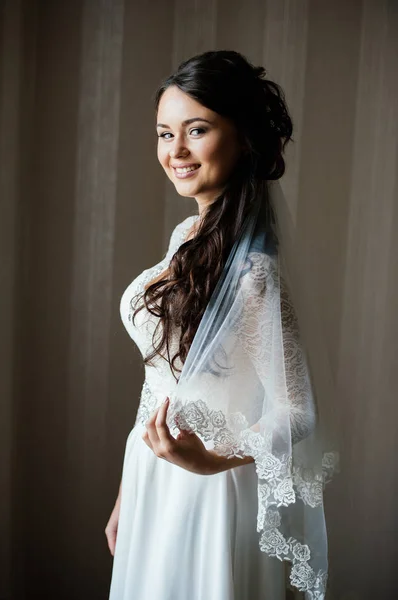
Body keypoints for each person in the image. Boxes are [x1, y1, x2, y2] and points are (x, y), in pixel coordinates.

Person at [106, 50, 336, 600]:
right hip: (153, 472)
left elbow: (296, 409)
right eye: (164, 133)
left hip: (205, 489)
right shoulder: (188, 235)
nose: (175, 151)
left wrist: (208, 461)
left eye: (196, 130)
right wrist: (125, 493)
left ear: (244, 139)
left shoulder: (255, 270)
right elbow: (158, 379)